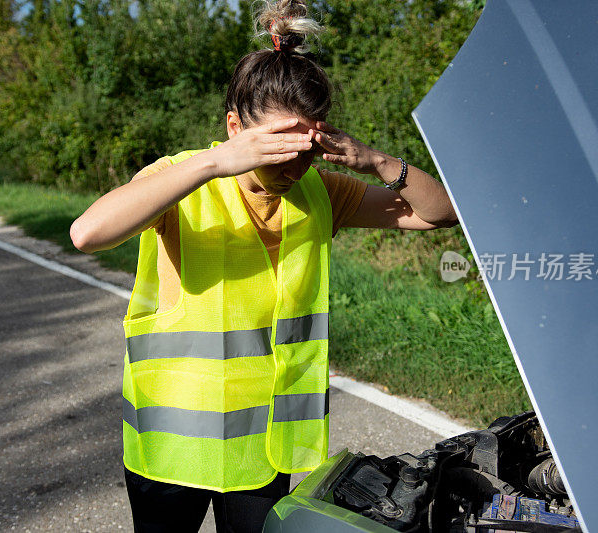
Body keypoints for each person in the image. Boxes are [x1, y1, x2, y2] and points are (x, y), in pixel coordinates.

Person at [70, 1, 457, 531]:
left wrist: (378, 161)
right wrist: (212, 164)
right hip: (173, 445)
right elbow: (87, 233)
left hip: (266, 446)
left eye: (306, 148)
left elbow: (440, 214)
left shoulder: (323, 191)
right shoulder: (181, 179)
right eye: (275, 145)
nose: (293, 165)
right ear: (235, 127)